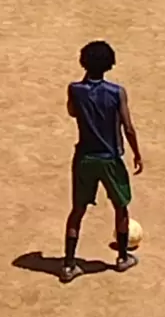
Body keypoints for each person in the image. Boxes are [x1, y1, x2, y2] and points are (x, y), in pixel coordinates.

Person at [61, 41, 143, 283]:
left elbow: (72, 112)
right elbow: (128, 127)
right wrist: (137, 153)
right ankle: (122, 258)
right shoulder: (117, 93)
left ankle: (68, 265)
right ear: (110, 64)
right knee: (121, 206)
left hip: (84, 158)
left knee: (77, 210)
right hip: (110, 159)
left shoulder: (74, 89)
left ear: (83, 62)